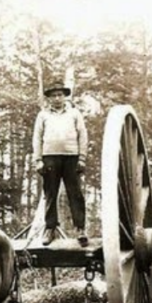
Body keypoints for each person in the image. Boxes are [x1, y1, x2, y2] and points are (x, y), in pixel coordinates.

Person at [32, 80, 89, 246]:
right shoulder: (43, 115)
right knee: (50, 193)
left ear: (65, 97)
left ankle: (80, 229)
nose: (57, 98)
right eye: (53, 96)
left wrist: (82, 157)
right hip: (49, 157)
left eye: (60, 95)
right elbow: (37, 138)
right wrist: (38, 160)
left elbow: (83, 135)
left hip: (71, 157)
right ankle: (50, 228)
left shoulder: (74, 114)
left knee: (75, 193)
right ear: (49, 99)